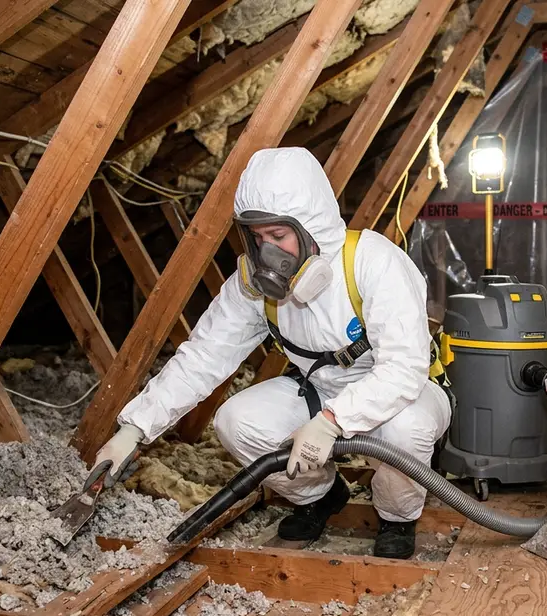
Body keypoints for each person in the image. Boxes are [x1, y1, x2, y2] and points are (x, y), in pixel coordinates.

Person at [93, 147, 451, 559]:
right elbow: (204, 355)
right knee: (236, 421)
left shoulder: (373, 262)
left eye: (278, 236)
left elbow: (404, 369)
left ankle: (396, 517)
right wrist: (134, 429)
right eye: (257, 238)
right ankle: (319, 496)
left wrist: (333, 422)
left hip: (402, 394)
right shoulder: (252, 288)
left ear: (311, 228)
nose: (268, 253)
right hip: (319, 390)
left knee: (403, 433)